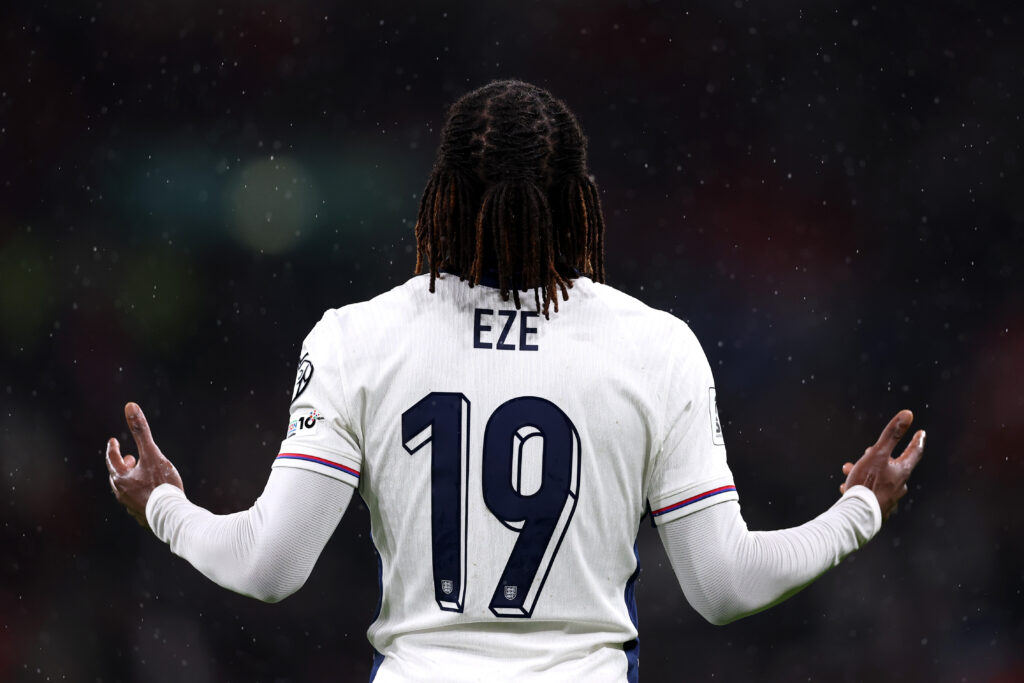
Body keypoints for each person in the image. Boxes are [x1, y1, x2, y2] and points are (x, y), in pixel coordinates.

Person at [106, 80, 925, 682]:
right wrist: (859, 509)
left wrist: (163, 507)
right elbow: (723, 585)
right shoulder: (654, 345)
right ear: (578, 201)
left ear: (443, 197)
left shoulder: (355, 338)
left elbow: (270, 565)